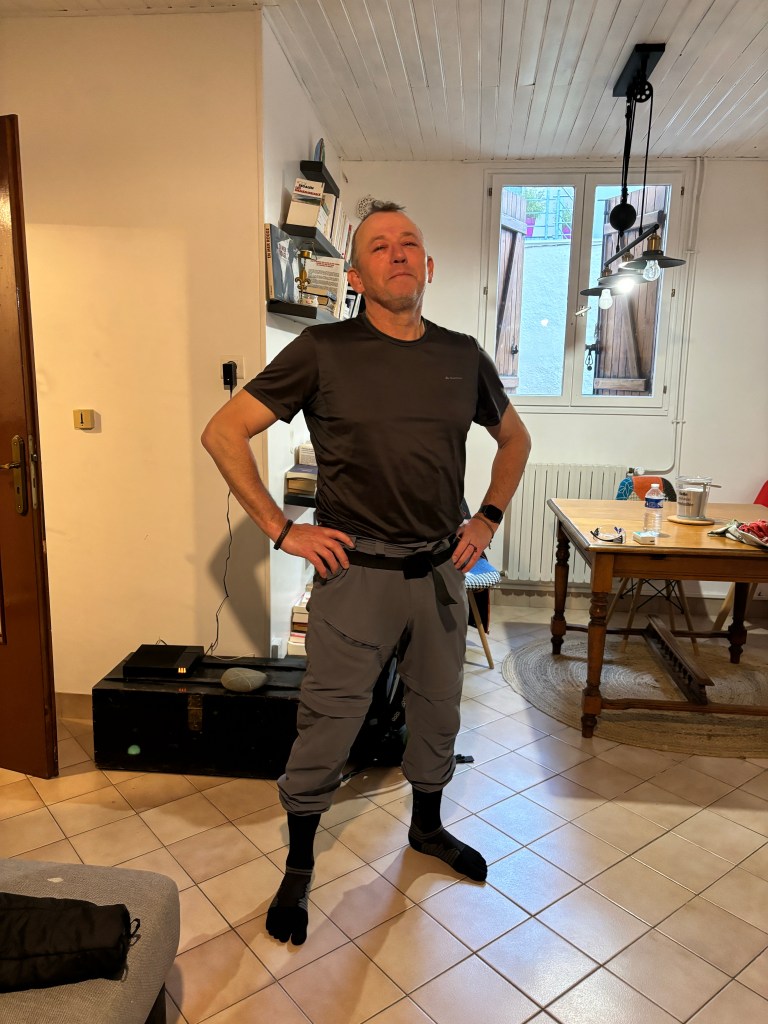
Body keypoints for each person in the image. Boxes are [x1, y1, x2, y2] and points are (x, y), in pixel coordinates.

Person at [201, 201, 531, 945]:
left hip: (440, 571)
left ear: (429, 266)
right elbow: (224, 432)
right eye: (380, 246)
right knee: (329, 721)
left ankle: (427, 828)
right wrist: (282, 528)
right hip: (357, 577)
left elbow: (515, 439)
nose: (398, 254)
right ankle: (298, 863)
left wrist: (488, 518)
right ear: (354, 275)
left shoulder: (463, 355)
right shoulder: (322, 349)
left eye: (410, 243)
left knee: (438, 711)